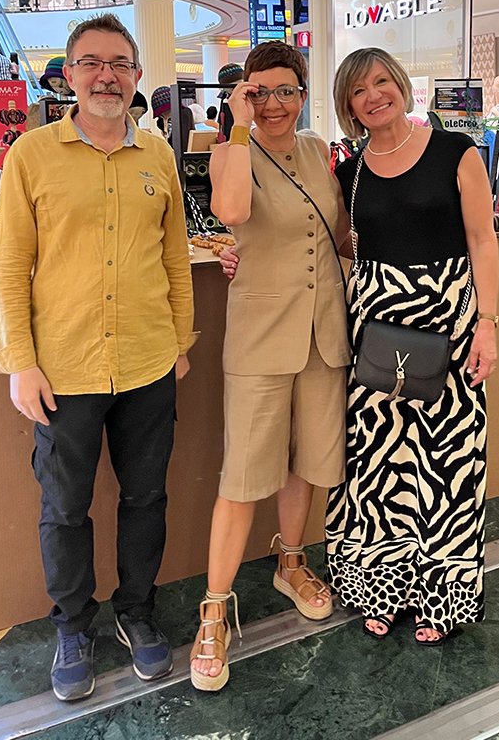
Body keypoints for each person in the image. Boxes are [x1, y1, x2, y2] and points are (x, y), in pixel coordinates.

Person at [0, 13, 195, 702]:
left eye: (120, 64)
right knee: (65, 506)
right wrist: (20, 361)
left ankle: (137, 612)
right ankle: (73, 627)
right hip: (63, 370)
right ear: (68, 75)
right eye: (92, 63)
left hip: (148, 362)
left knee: (147, 496)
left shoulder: (158, 155)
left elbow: (175, 259)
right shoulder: (32, 155)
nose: (107, 76)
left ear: (137, 76)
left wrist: (180, 343)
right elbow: (9, 268)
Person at [190, 41, 350, 692]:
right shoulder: (232, 150)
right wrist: (235, 123)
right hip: (260, 339)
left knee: (306, 460)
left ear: (303, 95)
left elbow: (339, 234)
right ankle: (214, 608)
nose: (275, 104)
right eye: (261, 92)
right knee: (243, 474)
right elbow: (231, 212)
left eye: (287, 90)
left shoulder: (318, 152)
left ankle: (290, 561)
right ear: (244, 95)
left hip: (324, 335)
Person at [325, 47, 498, 645]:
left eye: (381, 82)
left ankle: (443, 600)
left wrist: (488, 323)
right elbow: (340, 242)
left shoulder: (455, 151)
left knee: (449, 464)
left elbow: (482, 239)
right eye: (358, 90)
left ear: (400, 84)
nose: (374, 95)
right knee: (377, 465)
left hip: (450, 323)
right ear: (348, 106)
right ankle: (380, 589)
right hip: (375, 327)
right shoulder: (350, 172)